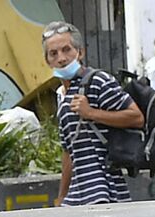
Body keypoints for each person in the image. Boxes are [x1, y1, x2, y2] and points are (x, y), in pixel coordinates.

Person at [43, 21, 143, 206]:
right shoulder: (62, 96)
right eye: (53, 53)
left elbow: (136, 117)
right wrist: (62, 196)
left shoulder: (98, 81)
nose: (61, 58)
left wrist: (91, 113)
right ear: (47, 61)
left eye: (67, 50)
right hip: (78, 194)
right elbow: (68, 151)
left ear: (80, 52)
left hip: (105, 191)